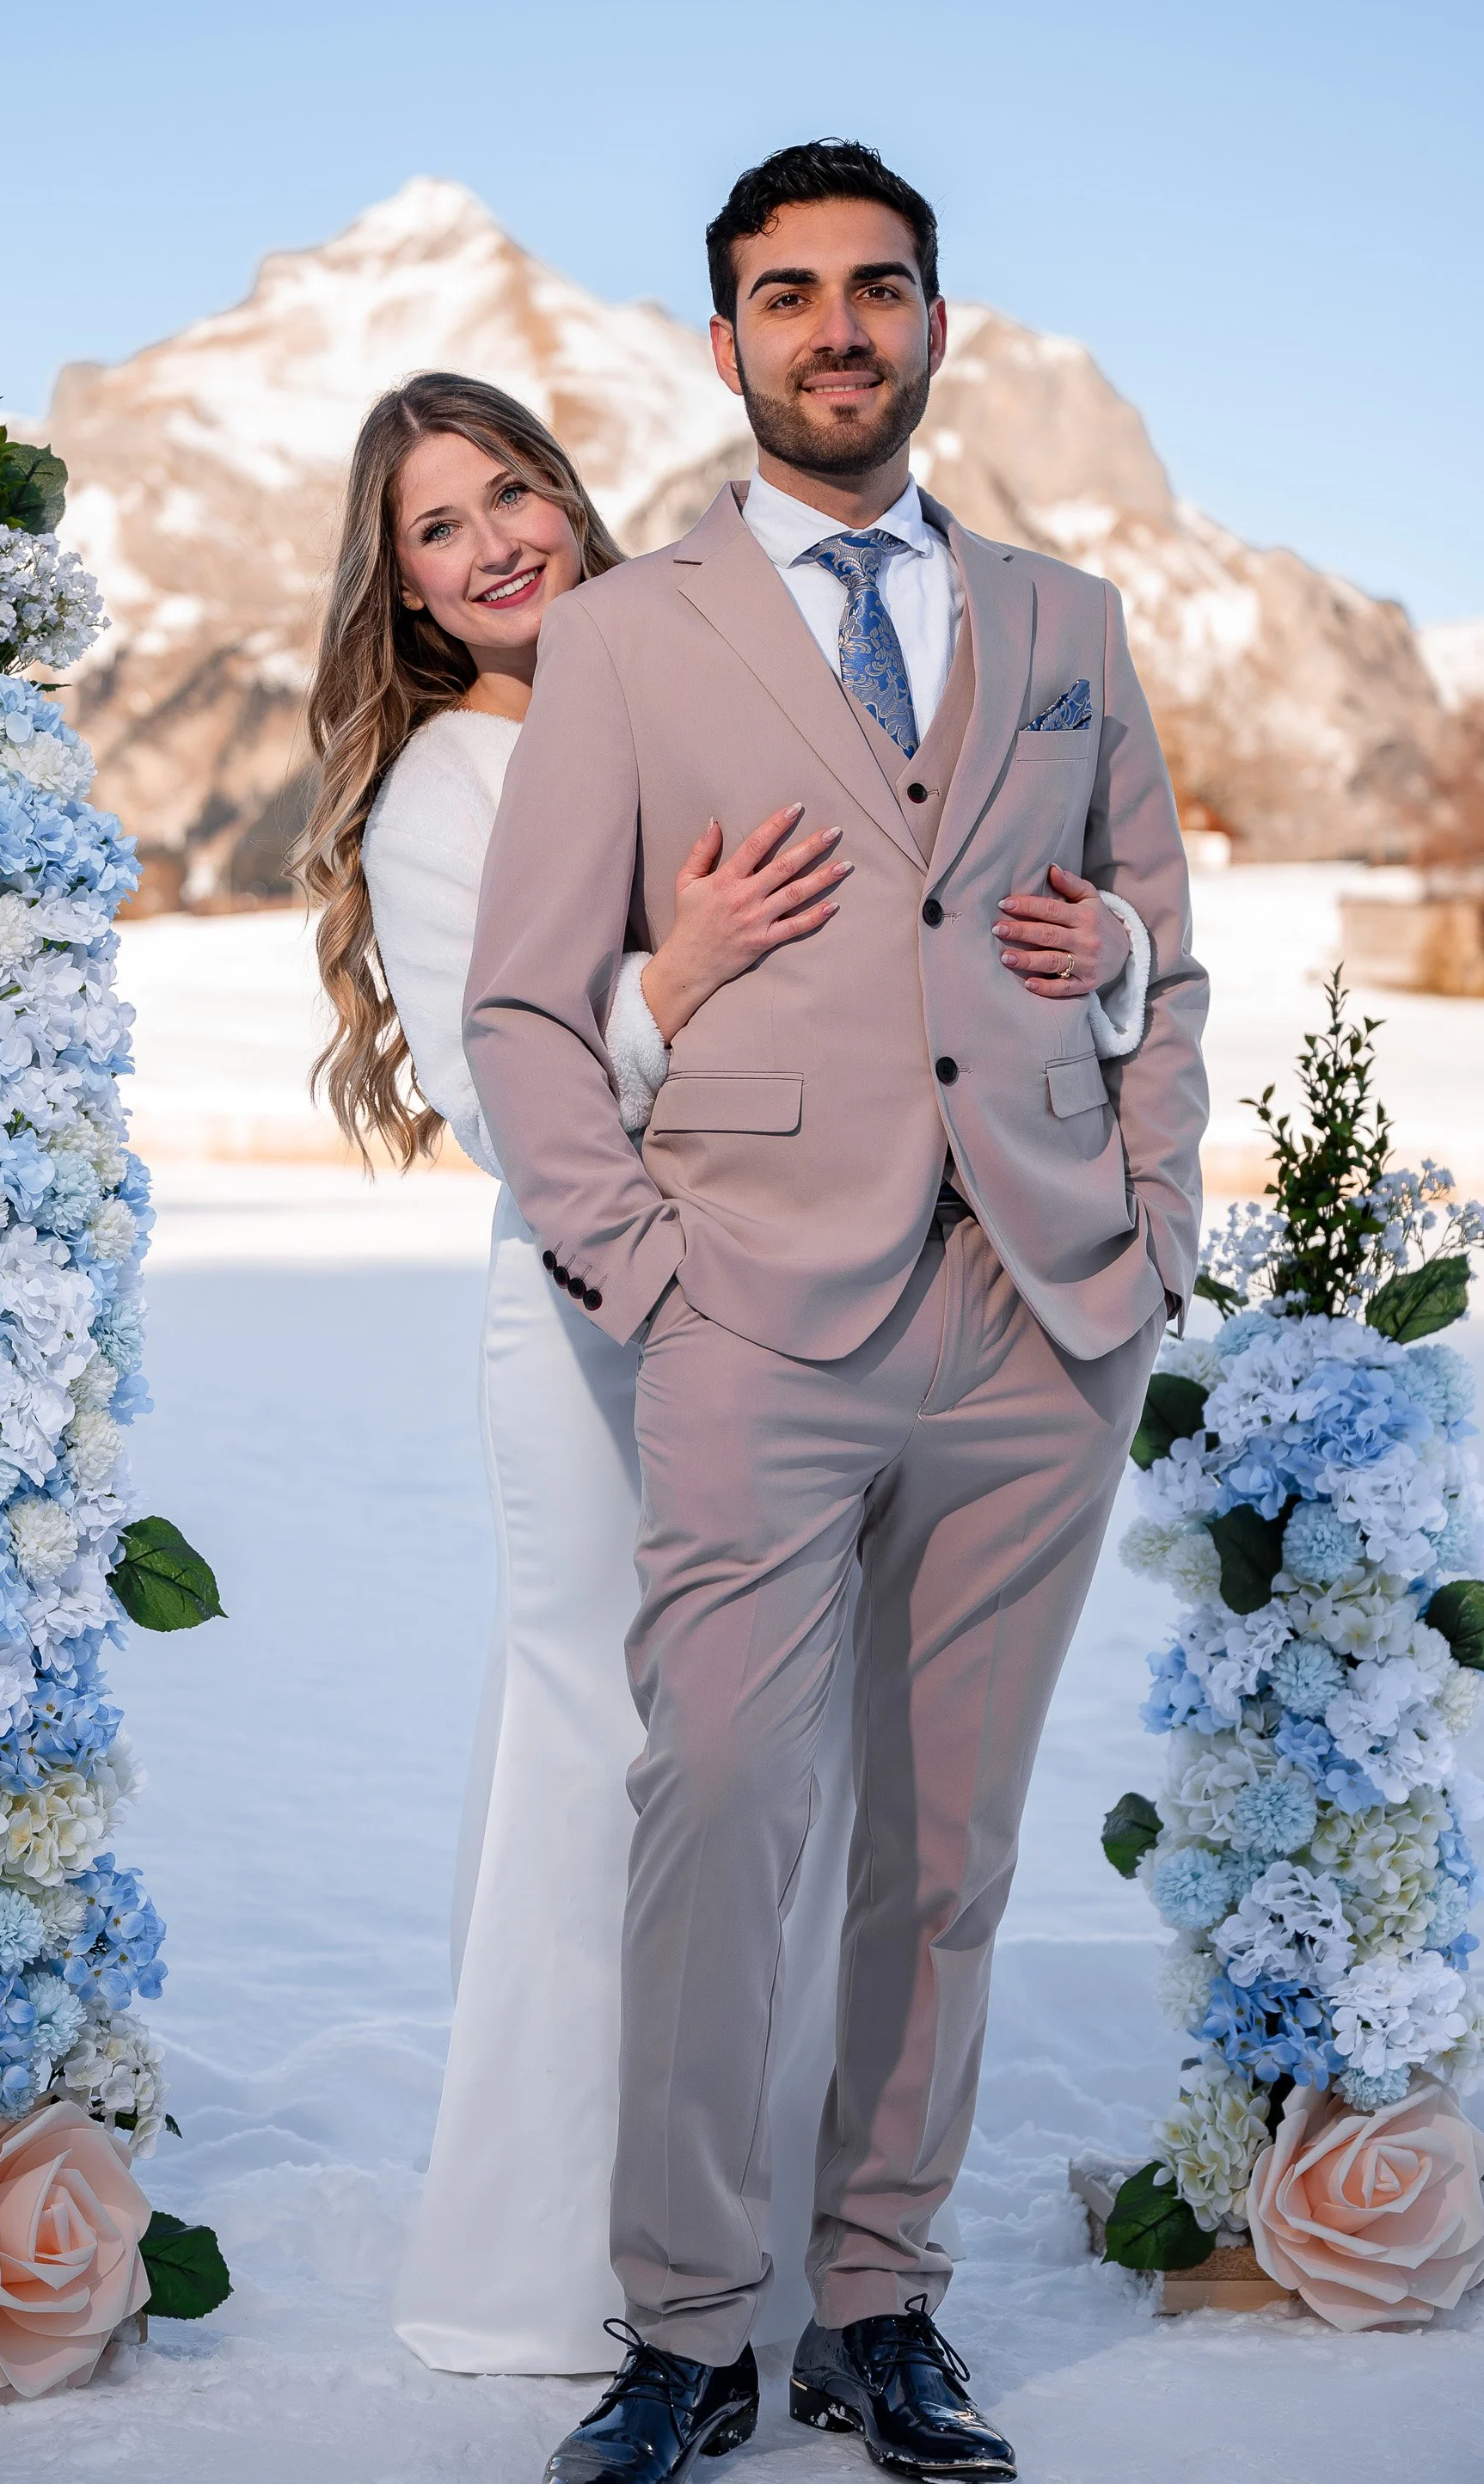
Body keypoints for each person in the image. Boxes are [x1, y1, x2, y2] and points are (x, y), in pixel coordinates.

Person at [463, 141, 1207, 2482]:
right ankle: (688, 2328)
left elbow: (1163, 950)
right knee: (715, 1800)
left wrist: (1150, 1220)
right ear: (725, 344)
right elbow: (522, 1009)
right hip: (752, 1319)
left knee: (946, 1849)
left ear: (936, 324)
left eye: (877, 287)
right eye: (787, 295)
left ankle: (879, 2303)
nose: (838, 328)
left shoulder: (1069, 620)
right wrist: (646, 1273)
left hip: (1038, 1314)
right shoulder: (628, 636)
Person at [297, 370, 1148, 2385]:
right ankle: (562, 2274)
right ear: (400, 591)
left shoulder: (686, 673)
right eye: (437, 529)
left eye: (512, 491)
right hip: (609, 1309)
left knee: (797, 1768)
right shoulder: (446, 788)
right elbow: (510, 1096)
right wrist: (669, 981)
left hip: (817, 1295)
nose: (493, 543)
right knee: (623, 1759)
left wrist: (1094, 952)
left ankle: (773, 2257)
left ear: (567, 493)